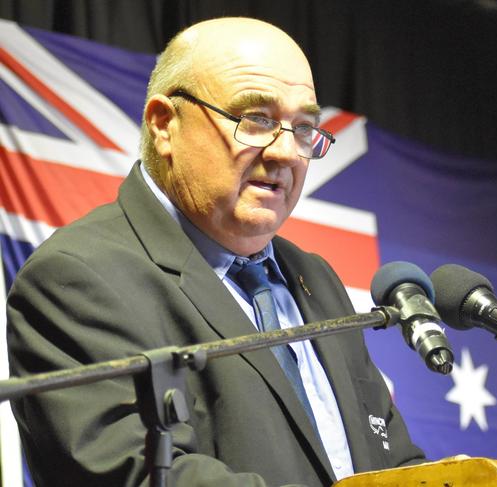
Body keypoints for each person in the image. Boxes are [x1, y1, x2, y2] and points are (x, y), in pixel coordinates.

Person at [7, 17, 425, 486]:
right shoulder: (78, 278)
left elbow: (388, 461)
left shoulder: (315, 278)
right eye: (257, 119)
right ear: (164, 125)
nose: (287, 152)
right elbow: (136, 474)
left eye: (304, 127)